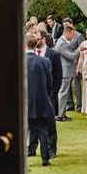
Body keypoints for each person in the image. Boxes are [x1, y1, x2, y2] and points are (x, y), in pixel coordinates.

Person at [28, 29, 61, 159]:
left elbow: (58, 76)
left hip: (49, 95)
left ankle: (51, 149)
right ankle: (31, 148)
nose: (35, 39)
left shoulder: (53, 54)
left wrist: (52, 94)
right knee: (32, 123)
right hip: (33, 96)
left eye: (37, 37)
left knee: (50, 125)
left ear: (43, 39)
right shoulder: (29, 55)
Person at [24, 33, 55, 167]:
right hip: (42, 101)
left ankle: (23, 158)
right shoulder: (44, 61)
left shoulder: (20, 61)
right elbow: (49, 83)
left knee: (24, 130)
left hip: (25, 102)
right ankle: (45, 158)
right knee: (43, 130)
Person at [54, 21, 84, 121]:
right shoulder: (61, 43)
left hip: (66, 71)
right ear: (68, 32)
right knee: (63, 93)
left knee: (65, 93)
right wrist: (79, 49)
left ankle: (62, 113)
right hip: (64, 71)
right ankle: (60, 115)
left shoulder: (63, 41)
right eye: (73, 35)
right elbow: (71, 56)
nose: (73, 37)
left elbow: (70, 48)